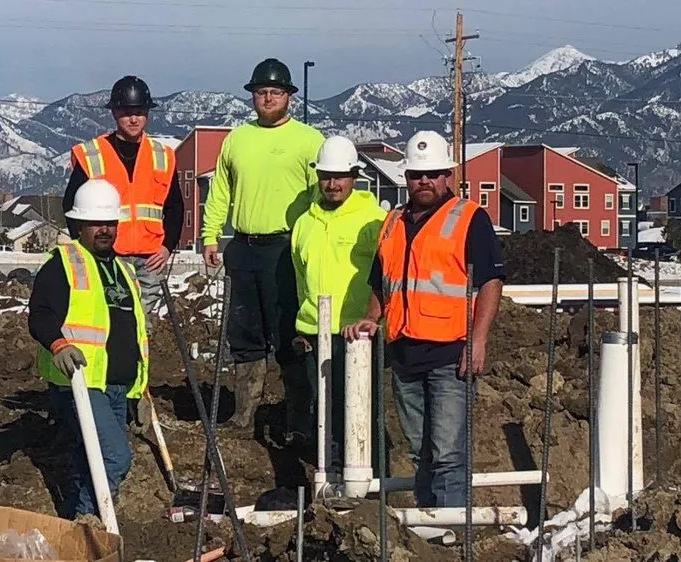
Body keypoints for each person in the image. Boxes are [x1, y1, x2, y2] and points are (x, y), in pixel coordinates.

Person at [344, 130, 505, 508]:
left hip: (451, 355)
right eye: (417, 174)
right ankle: (431, 526)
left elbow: (491, 281)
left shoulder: (469, 218)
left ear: (447, 174)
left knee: (448, 454)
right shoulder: (393, 221)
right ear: (406, 177)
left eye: (433, 173)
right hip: (404, 355)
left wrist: (478, 340)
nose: (425, 181)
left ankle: (451, 529)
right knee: (420, 452)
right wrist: (372, 319)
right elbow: (381, 283)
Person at [201, 58, 325, 431]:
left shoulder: (309, 141)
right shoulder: (237, 139)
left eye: (275, 92)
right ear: (252, 96)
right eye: (261, 92)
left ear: (289, 96)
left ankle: (298, 420)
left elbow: (324, 196)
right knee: (244, 333)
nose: (268, 98)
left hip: (286, 250)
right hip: (243, 247)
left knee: (289, 333)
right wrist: (210, 235)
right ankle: (243, 415)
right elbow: (220, 191)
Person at [29, 179, 150, 519]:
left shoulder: (124, 270)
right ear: (80, 224)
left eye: (110, 223)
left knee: (90, 459)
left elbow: (132, 333)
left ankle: (72, 524)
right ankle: (89, 523)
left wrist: (140, 391)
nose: (105, 230)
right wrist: (59, 344)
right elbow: (39, 314)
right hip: (81, 384)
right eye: (97, 223)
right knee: (113, 457)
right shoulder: (64, 263)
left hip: (117, 386)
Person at [291, 136, 386, 452]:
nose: (332, 184)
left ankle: (366, 475)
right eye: (326, 176)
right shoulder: (305, 223)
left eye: (340, 176)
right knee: (322, 409)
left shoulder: (373, 221)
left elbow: (387, 276)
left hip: (356, 335)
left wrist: (375, 318)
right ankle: (328, 473)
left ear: (354, 177)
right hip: (314, 334)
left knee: (359, 411)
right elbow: (300, 278)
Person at [64, 75, 183, 316]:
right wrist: (86, 247)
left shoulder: (163, 155)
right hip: (108, 254)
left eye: (139, 112)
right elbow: (71, 205)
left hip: (150, 259)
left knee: (142, 324)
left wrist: (167, 247)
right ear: (115, 113)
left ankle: (138, 356)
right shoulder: (92, 154)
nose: (133, 118)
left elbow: (175, 207)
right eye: (126, 112)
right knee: (108, 318)